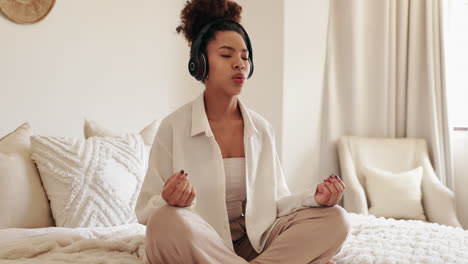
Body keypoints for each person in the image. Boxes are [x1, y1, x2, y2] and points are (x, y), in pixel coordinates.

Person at [135, 0, 350, 263]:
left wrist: (314, 199)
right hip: (199, 239)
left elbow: (275, 203)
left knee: (335, 219)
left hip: (253, 240)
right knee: (164, 221)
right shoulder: (174, 127)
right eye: (226, 55)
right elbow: (146, 209)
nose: (239, 64)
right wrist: (168, 200)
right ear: (200, 63)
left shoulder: (261, 128)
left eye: (245, 57)